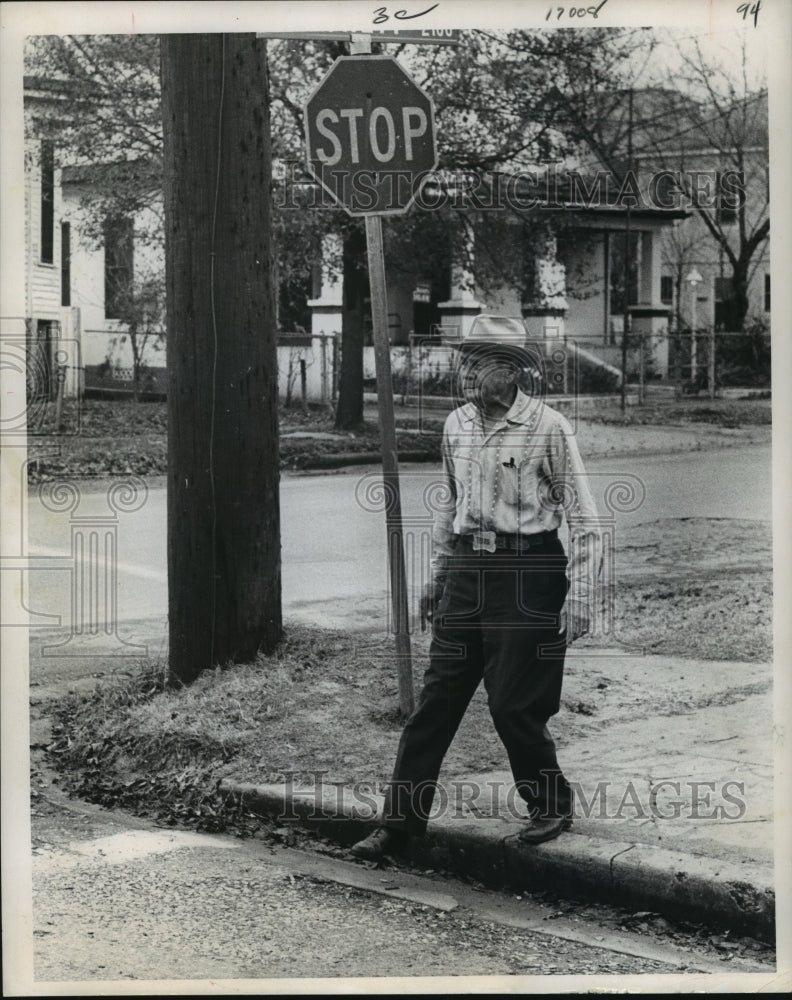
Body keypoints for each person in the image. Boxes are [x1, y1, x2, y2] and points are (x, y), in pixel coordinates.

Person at [351, 316, 602, 860]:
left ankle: (550, 801)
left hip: (528, 572)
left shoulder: (548, 427)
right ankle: (399, 825)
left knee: (514, 703)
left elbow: (583, 517)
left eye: (496, 360)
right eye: (475, 360)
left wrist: (581, 596)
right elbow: (451, 504)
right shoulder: (456, 426)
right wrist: (438, 578)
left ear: (515, 370)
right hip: (468, 570)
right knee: (437, 699)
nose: (482, 370)